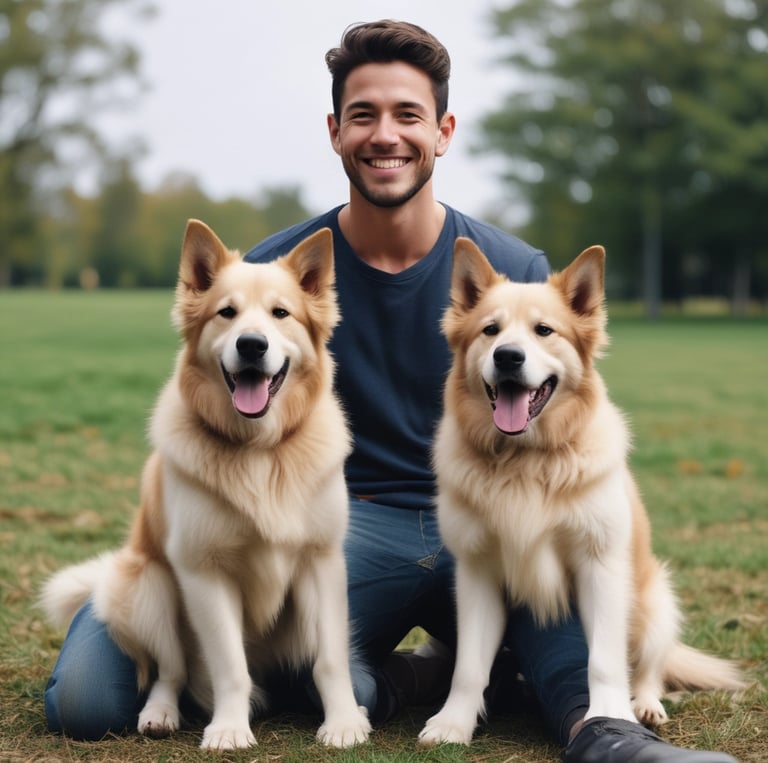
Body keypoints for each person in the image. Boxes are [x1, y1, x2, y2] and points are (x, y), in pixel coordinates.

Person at [44, 19, 737, 763]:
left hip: (492, 516)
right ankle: (410, 679)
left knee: (571, 655)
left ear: (442, 131)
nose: (386, 135)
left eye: (408, 115)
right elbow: (208, 402)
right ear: (335, 130)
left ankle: (608, 738)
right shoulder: (280, 275)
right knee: (98, 698)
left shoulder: (509, 267)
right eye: (364, 115)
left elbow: (569, 414)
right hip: (351, 526)